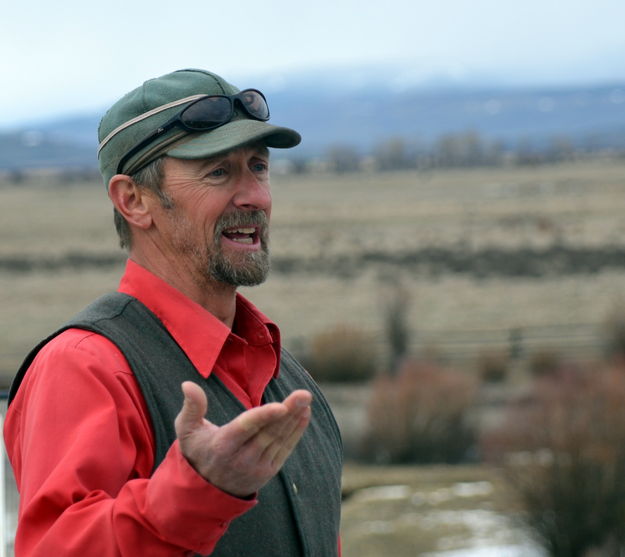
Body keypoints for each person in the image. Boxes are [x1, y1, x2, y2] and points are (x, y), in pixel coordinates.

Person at [4, 69, 343, 556]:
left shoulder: (288, 377)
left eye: (259, 167)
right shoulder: (85, 368)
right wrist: (197, 491)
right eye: (219, 172)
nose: (255, 196)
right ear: (134, 201)